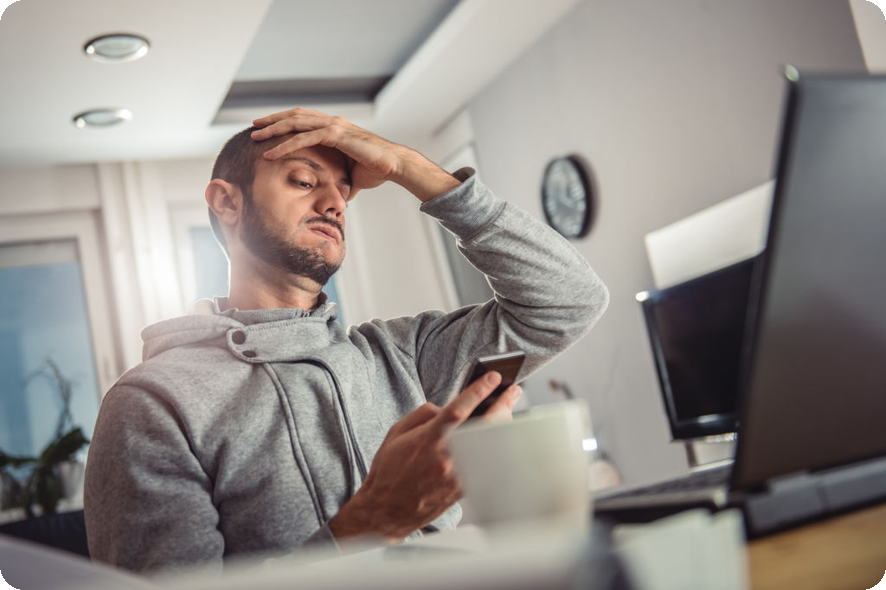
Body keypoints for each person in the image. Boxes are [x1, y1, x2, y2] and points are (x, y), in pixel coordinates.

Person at [83, 108, 609, 574]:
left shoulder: (405, 355)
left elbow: (570, 300)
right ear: (227, 201)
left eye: (343, 192)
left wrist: (407, 166)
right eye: (303, 180)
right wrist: (375, 520)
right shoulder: (152, 404)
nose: (335, 202)